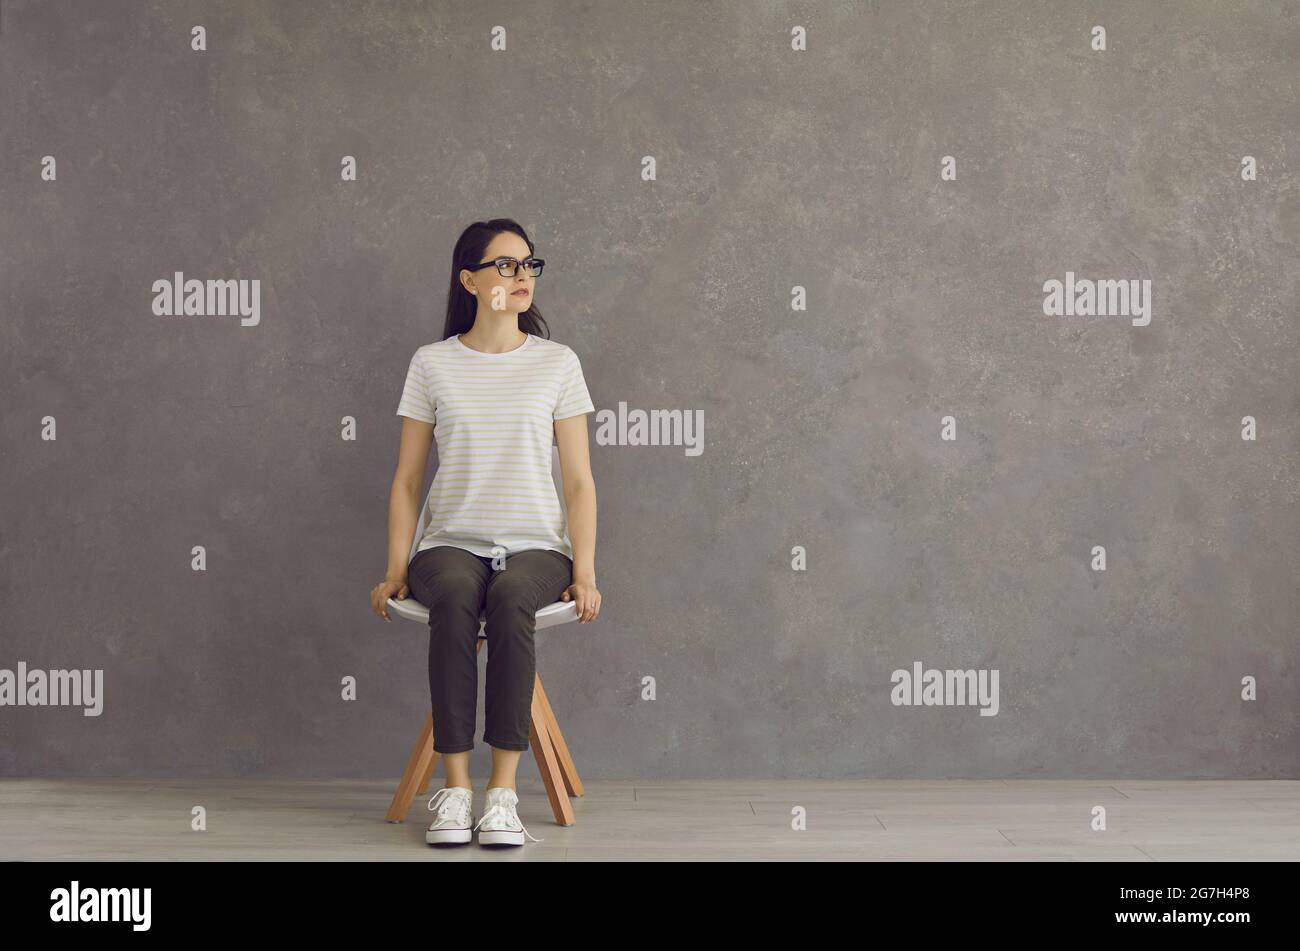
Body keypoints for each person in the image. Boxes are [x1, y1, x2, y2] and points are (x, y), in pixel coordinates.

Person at [369, 218, 601, 847]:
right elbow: (408, 481)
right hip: (450, 542)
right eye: (505, 264)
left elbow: (579, 481)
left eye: (528, 264)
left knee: (509, 599)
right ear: (469, 278)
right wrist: (396, 568)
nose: (522, 275)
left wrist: (584, 571)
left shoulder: (557, 363)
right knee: (450, 594)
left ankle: (501, 794)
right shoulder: (433, 364)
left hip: (537, 547)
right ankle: (455, 791)